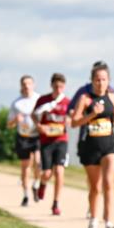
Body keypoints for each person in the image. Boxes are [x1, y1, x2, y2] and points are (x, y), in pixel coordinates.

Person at [71, 62, 114, 228]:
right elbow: (74, 122)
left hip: (110, 144)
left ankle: (109, 223)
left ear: (108, 80)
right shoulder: (85, 99)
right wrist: (92, 114)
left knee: (108, 182)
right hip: (90, 147)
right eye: (97, 80)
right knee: (95, 187)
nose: (100, 83)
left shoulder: (113, 97)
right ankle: (94, 220)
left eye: (104, 79)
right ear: (92, 81)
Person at [33, 73, 70, 216]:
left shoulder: (67, 102)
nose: (58, 89)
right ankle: (42, 184)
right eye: (56, 86)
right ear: (51, 86)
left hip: (61, 139)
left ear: (64, 87)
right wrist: (39, 126)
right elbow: (33, 115)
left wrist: (69, 121)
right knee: (47, 173)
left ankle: (56, 203)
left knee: (60, 171)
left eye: (61, 87)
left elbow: (72, 117)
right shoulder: (43, 100)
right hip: (46, 141)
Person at [7, 75, 41, 206]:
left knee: (38, 163)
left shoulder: (39, 99)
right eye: (24, 84)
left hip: (37, 136)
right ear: (21, 86)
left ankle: (36, 184)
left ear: (34, 85)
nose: (27, 86)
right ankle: (26, 195)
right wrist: (16, 120)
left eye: (29, 83)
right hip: (23, 137)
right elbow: (9, 124)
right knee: (25, 167)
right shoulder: (17, 103)